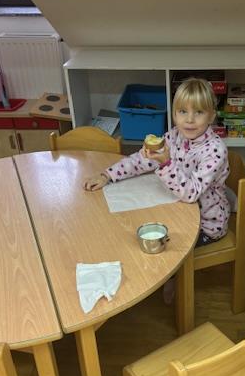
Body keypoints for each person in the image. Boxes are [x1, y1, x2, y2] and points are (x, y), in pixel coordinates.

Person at [84, 77, 230, 248]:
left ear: (211, 116)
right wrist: (107, 175)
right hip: (176, 210)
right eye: (183, 111)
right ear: (174, 114)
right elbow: (141, 160)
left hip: (206, 225)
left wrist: (166, 164)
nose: (190, 119)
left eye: (198, 112)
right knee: (130, 229)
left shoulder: (215, 151)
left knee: (156, 248)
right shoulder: (174, 136)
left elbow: (191, 193)